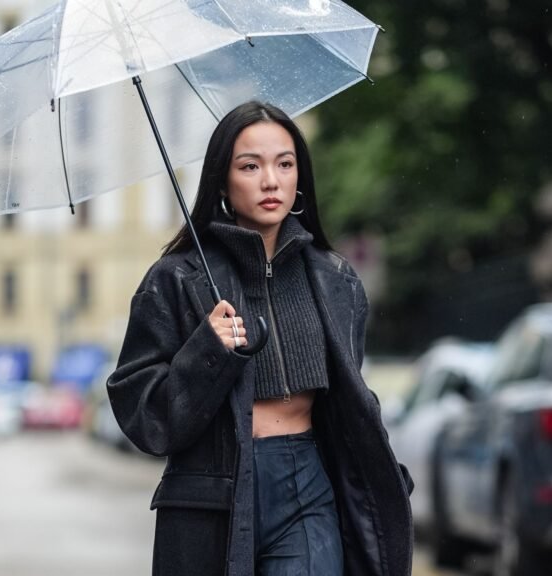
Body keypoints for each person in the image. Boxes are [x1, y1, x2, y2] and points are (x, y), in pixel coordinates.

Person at [107, 101, 413, 576]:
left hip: (308, 484)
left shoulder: (335, 280)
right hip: (213, 497)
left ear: (299, 177)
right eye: (250, 166)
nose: (271, 180)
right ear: (223, 182)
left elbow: (353, 396)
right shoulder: (178, 280)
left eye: (285, 164)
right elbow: (145, 419)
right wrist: (206, 351)